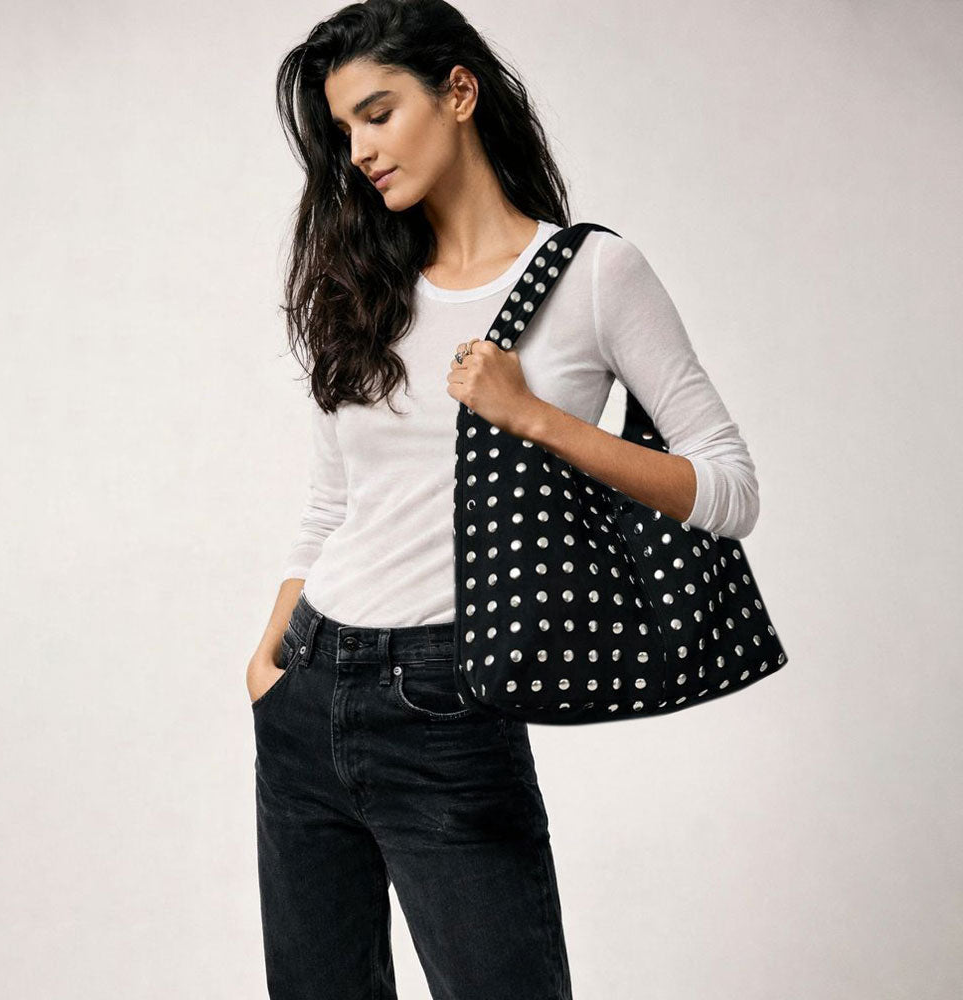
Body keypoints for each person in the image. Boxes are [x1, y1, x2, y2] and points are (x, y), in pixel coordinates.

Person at [246, 1, 759, 997]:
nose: (357, 150)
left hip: (446, 704)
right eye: (343, 129)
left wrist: (533, 416)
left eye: (378, 113)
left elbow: (730, 488)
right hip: (305, 693)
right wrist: (268, 658)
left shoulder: (592, 274)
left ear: (459, 92)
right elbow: (332, 503)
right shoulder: (369, 285)